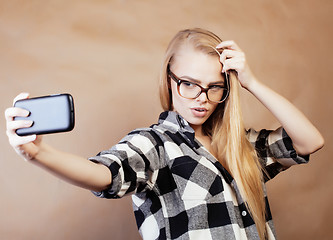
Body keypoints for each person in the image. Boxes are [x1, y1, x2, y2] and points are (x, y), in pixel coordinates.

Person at [5, 28, 324, 240]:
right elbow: (104, 174)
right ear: (170, 80)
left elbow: (310, 141)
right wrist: (38, 154)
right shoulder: (154, 145)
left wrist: (251, 82)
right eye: (190, 83)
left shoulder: (239, 146)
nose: (202, 97)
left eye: (215, 87)